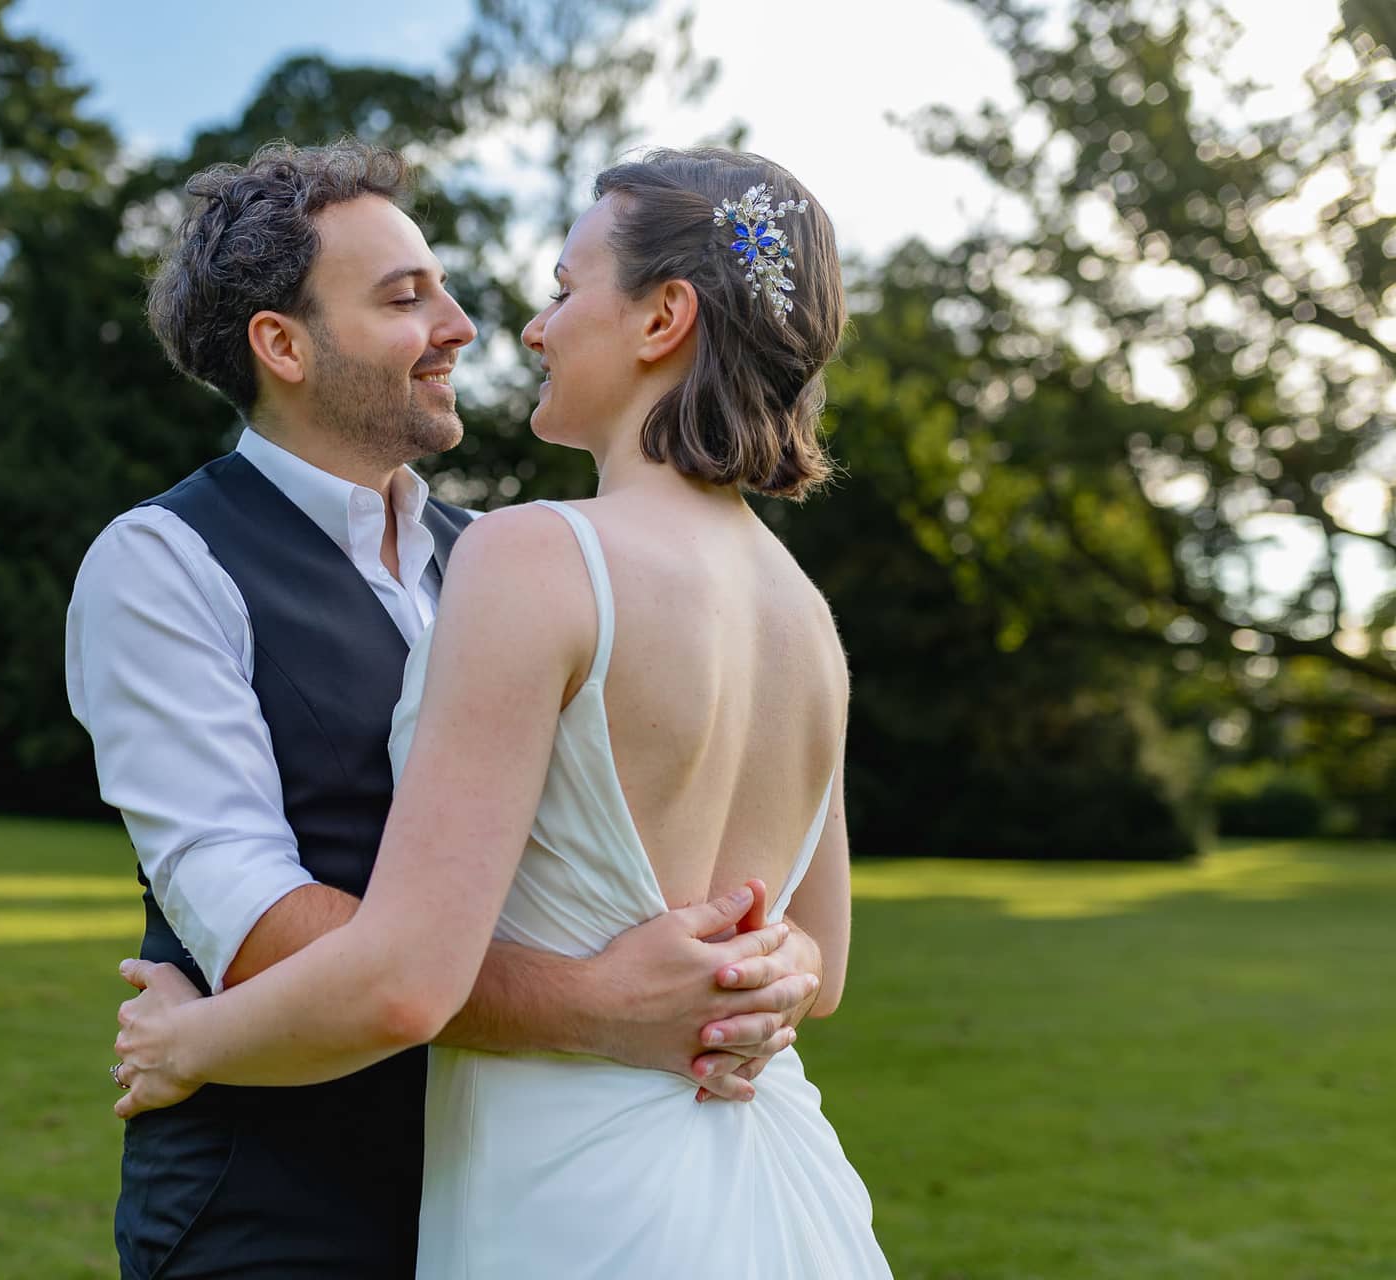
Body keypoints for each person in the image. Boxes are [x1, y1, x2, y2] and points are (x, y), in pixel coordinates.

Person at [109, 146, 891, 1277]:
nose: (520, 326)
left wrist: (191, 1040)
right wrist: (755, 980)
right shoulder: (807, 613)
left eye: (566, 289)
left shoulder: (524, 553)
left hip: (580, 1191)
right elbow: (824, 956)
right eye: (403, 294)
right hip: (770, 1181)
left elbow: (406, 977)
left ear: (663, 317)